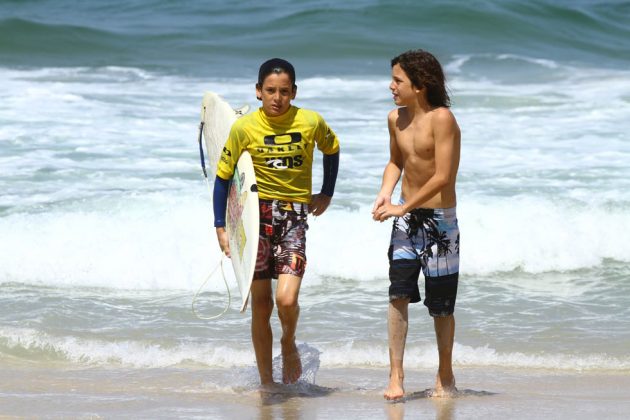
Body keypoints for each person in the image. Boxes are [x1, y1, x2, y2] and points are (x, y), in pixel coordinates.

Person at [213, 58, 340, 386]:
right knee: (261, 304)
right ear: (258, 92)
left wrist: (326, 191)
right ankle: (267, 385)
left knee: (286, 300)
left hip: (293, 219)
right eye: (270, 90)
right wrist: (221, 227)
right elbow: (223, 177)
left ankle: (288, 341)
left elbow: (332, 147)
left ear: (294, 92)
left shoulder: (310, 122)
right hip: (256, 221)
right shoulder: (244, 128)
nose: (277, 97)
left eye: (284, 91)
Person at [372, 49, 461, 400]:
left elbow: (443, 177)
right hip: (406, 221)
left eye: (398, 80)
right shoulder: (395, 118)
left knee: (441, 307)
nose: (391, 86)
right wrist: (384, 193)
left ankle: (445, 372)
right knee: (398, 294)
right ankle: (396, 376)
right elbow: (396, 161)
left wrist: (401, 206)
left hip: (440, 223)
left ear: (420, 85)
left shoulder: (443, 120)